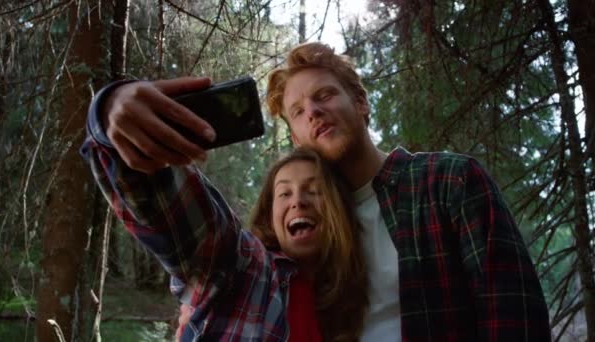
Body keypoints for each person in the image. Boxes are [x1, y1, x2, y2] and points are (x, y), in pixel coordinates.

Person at [85, 42, 551, 340]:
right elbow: (175, 214)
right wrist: (110, 110)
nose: (313, 112)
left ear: (362, 103)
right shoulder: (288, 254)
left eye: (325, 95)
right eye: (297, 110)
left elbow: (513, 317)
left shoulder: (447, 182)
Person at [81, 134, 369, 340]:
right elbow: (172, 204)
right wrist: (123, 129)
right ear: (270, 215)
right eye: (284, 192)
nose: (298, 201)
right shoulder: (246, 266)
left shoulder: (342, 309)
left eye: (313, 190)